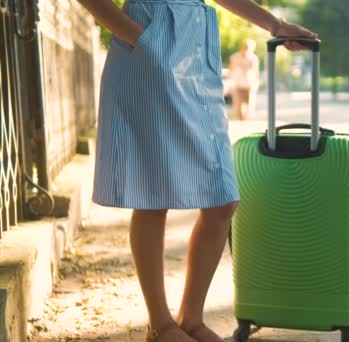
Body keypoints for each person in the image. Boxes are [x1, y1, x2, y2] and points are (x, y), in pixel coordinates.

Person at [77, 0, 317, 341]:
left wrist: (275, 25)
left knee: (222, 202)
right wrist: (142, 38)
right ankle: (160, 326)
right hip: (149, 33)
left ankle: (190, 320)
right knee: (152, 194)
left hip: (198, 43)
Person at [229, 39, 259, 120]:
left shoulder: (253, 58)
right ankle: (241, 120)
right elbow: (231, 70)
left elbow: (256, 71)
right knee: (239, 106)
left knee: (250, 105)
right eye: (246, 47)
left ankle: (247, 120)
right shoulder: (234, 57)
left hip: (249, 83)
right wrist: (229, 81)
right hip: (237, 83)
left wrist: (256, 82)